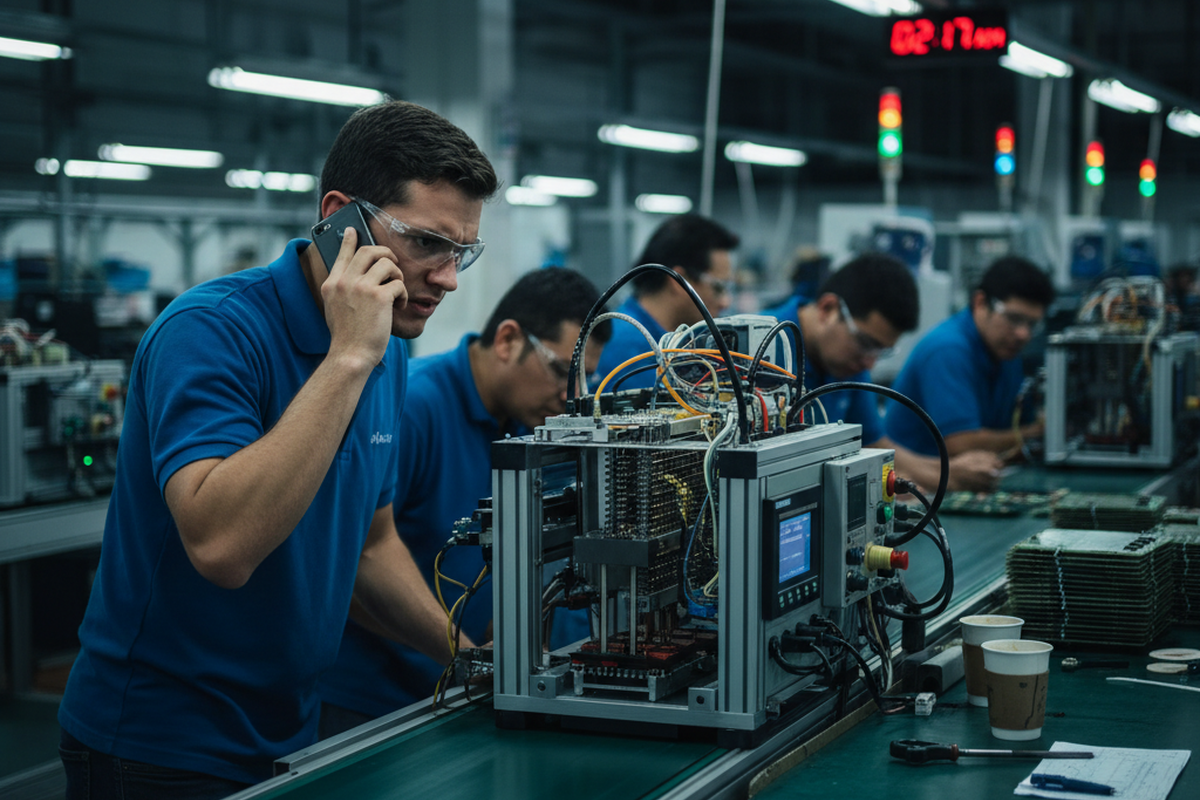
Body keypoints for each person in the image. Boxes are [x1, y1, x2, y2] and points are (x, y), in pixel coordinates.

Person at [56, 100, 498, 797]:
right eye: (425, 243)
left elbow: (371, 546)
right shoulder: (211, 331)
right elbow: (221, 547)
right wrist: (347, 359)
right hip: (160, 743)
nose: (447, 278)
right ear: (340, 218)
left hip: (293, 733)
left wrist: (472, 661)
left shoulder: (385, 348)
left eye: (461, 252)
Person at [317, 267, 610, 736]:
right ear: (508, 340)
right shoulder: (412, 407)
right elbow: (342, 568)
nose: (570, 395)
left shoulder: (525, 422)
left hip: (462, 693)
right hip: (375, 707)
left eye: (586, 378)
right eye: (561, 370)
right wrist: (463, 651)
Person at [762, 252, 1002, 492]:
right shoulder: (758, 349)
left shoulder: (846, 362)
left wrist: (950, 471)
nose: (870, 364)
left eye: (880, 351)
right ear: (828, 309)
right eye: (867, 344)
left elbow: (874, 446)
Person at [884, 256, 1056, 459]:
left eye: (1032, 324)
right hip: (918, 484)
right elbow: (961, 444)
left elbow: (1020, 421)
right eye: (1014, 319)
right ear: (980, 302)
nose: (1023, 335)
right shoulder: (947, 350)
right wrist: (1040, 432)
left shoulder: (1005, 352)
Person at [593, 214, 739, 390]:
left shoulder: (672, 345)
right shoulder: (626, 351)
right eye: (718, 287)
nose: (725, 302)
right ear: (680, 281)